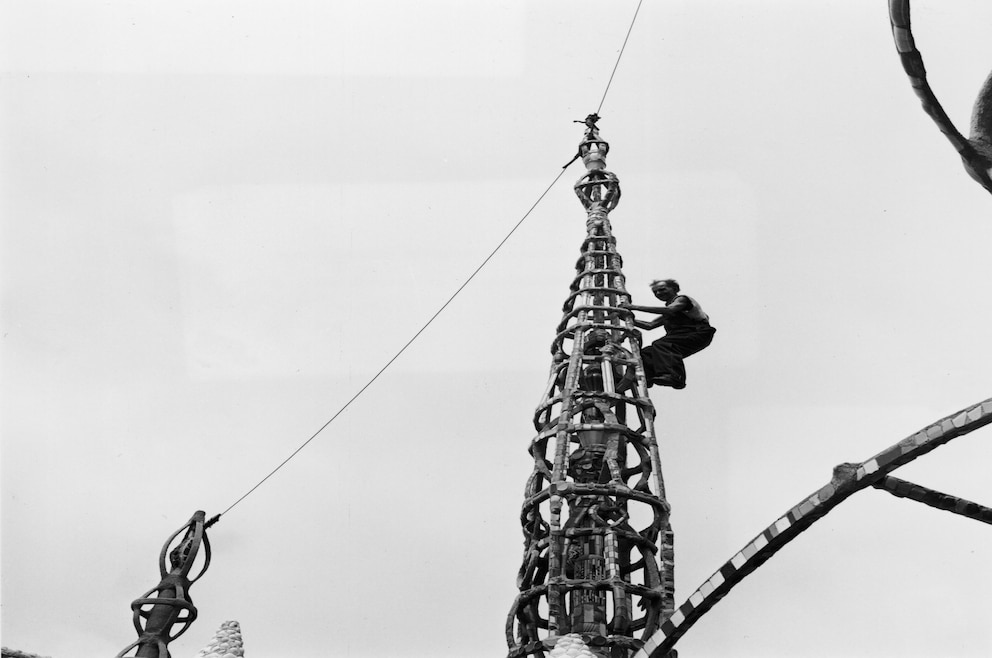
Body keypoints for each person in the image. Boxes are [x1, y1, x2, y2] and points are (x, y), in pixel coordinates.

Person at [623, 279, 715, 389]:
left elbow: (669, 310)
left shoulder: (682, 300)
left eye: (662, 289)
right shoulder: (668, 310)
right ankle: (648, 377)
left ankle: (674, 376)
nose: (659, 294)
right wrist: (625, 318)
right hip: (680, 336)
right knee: (646, 353)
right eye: (655, 292)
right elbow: (650, 325)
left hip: (697, 332)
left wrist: (633, 307)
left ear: (674, 289)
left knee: (663, 345)